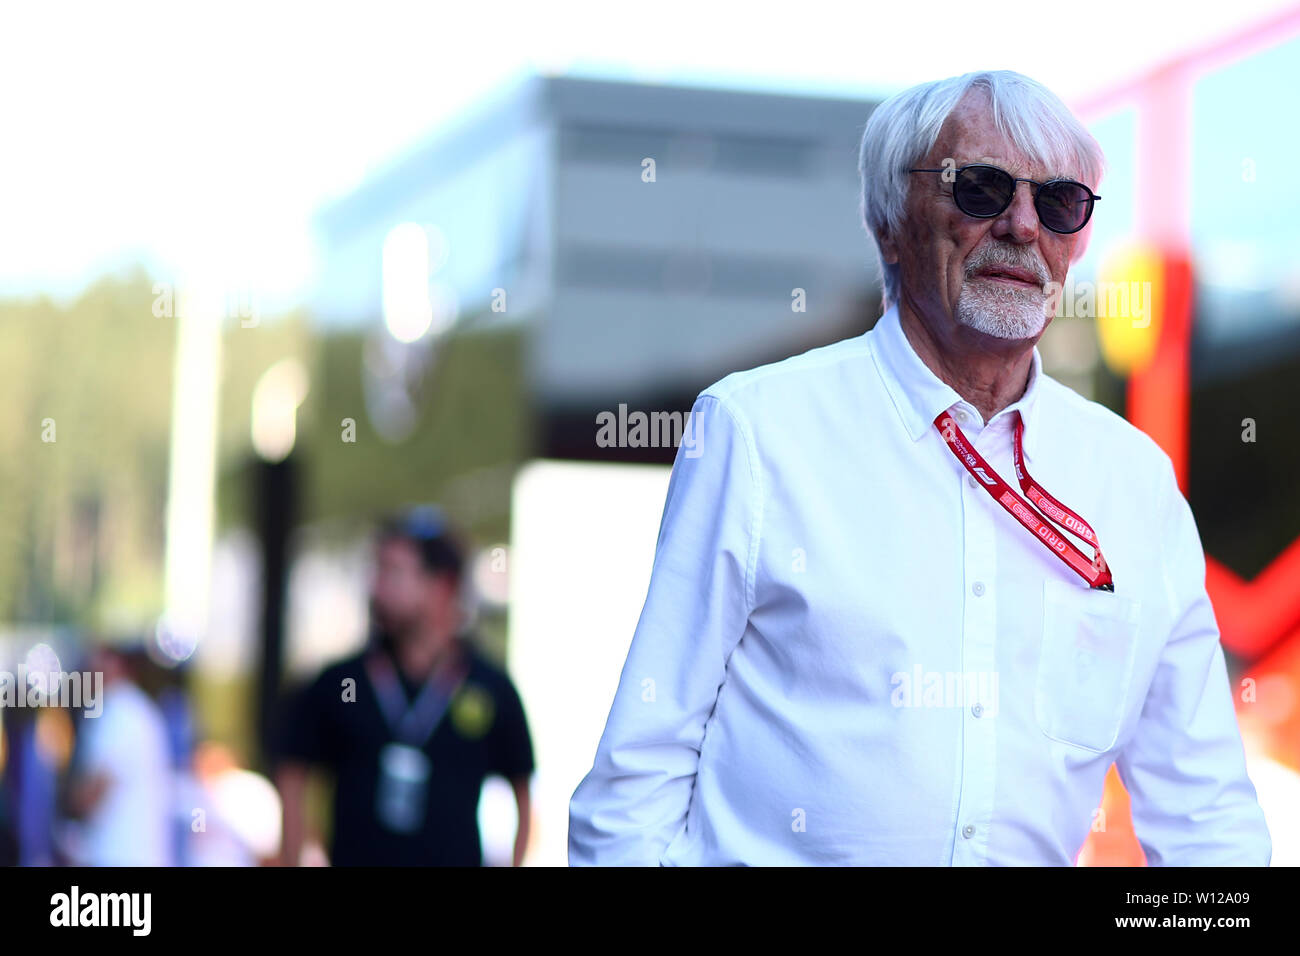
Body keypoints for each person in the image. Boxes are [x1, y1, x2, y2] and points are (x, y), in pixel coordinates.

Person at [568, 70, 1271, 866]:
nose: (1020, 224)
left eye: (1059, 201)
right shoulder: (758, 432)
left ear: (1077, 238)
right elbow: (635, 783)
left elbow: (1208, 822)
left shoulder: (1135, 484)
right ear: (891, 224)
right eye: (980, 188)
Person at [276, 506, 534, 866]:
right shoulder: (345, 682)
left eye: (393, 572)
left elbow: (523, 793)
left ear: (442, 585)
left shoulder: (489, 688)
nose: (377, 587)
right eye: (377, 570)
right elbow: (292, 772)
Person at [65, 641, 175, 866]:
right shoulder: (139, 709)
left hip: (119, 857)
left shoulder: (117, 710)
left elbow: (96, 789)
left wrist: (65, 802)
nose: (91, 671)